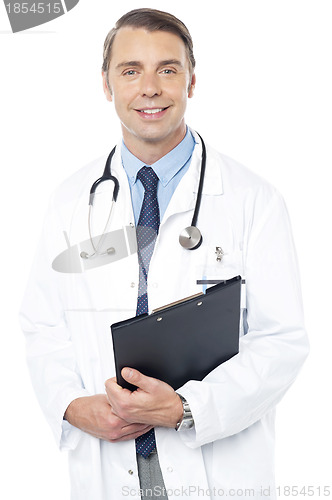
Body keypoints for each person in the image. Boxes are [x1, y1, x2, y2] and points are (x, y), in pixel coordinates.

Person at [20, 8, 309, 500]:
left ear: (192, 82)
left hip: (213, 463)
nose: (149, 87)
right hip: (108, 461)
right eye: (130, 70)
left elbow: (280, 341)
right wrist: (71, 404)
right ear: (107, 85)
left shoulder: (252, 200)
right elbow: (41, 325)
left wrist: (186, 409)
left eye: (167, 69)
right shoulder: (72, 202)